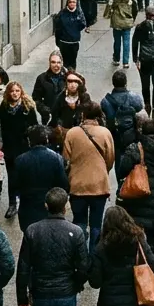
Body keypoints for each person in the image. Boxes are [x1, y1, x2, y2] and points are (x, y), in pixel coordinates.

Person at [115, 119, 154, 252]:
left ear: (142, 131)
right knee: (150, 239)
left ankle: (136, 259)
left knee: (133, 235)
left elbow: (122, 171)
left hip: (134, 199)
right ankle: (148, 261)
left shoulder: (134, 149)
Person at [66, 100, 117, 251]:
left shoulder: (72, 133)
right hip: (99, 185)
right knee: (96, 223)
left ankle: (79, 252)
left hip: (77, 185)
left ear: (83, 115)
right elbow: (110, 158)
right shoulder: (105, 133)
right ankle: (93, 254)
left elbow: (66, 159)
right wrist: (102, 170)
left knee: (79, 221)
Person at [11, 126, 70, 232]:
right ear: (46, 140)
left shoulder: (20, 160)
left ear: (30, 141)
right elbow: (64, 184)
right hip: (50, 208)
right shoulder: (56, 158)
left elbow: (14, 185)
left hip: (27, 208)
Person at [0, 82, 38, 217]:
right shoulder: (4, 107)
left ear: (21, 92)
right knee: (12, 177)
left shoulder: (27, 107)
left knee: (25, 176)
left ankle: (26, 202)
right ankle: (12, 204)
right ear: (8, 93)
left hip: (24, 147)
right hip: (9, 147)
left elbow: (34, 127)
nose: (15, 93)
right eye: (12, 91)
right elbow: (0, 125)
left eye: (17, 91)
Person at [101, 69, 146, 155]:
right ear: (126, 83)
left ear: (113, 83)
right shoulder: (133, 97)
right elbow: (140, 108)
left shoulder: (105, 101)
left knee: (117, 156)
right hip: (131, 134)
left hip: (114, 135)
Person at [105, 0, 139, 69]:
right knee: (126, 41)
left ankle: (116, 59)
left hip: (116, 22)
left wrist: (108, 15)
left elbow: (108, 8)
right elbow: (136, 9)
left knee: (117, 41)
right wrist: (132, 18)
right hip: (127, 21)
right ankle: (125, 62)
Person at [32, 52, 67, 126]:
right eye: (53, 62)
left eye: (58, 62)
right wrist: (43, 110)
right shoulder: (42, 78)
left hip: (65, 117)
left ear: (62, 63)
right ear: (49, 63)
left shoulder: (68, 78)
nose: (56, 65)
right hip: (49, 118)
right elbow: (36, 98)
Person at [54, 0, 87, 71]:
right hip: (64, 42)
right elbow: (58, 28)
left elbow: (83, 24)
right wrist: (58, 41)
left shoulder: (79, 13)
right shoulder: (62, 13)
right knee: (65, 62)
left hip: (74, 42)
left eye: (74, 2)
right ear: (67, 3)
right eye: (70, 2)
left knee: (73, 62)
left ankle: (72, 74)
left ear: (76, 3)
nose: (72, 4)